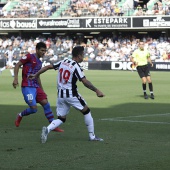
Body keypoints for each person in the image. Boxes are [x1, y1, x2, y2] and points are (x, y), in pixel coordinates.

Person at [29, 46, 104, 143]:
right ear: (78, 56)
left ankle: (47, 129)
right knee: (86, 111)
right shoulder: (76, 66)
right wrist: (96, 90)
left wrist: (36, 75)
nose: (83, 57)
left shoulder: (63, 62)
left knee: (61, 118)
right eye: (83, 55)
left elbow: (48, 67)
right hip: (71, 95)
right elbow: (84, 81)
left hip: (60, 96)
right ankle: (92, 136)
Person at [12, 42, 63, 132]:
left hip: (36, 86)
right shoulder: (29, 57)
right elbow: (17, 65)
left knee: (46, 104)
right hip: (27, 86)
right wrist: (15, 79)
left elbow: (37, 76)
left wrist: (42, 90)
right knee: (34, 109)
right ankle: (20, 115)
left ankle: (53, 125)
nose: (43, 52)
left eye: (45, 51)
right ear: (37, 50)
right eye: (42, 50)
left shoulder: (39, 62)